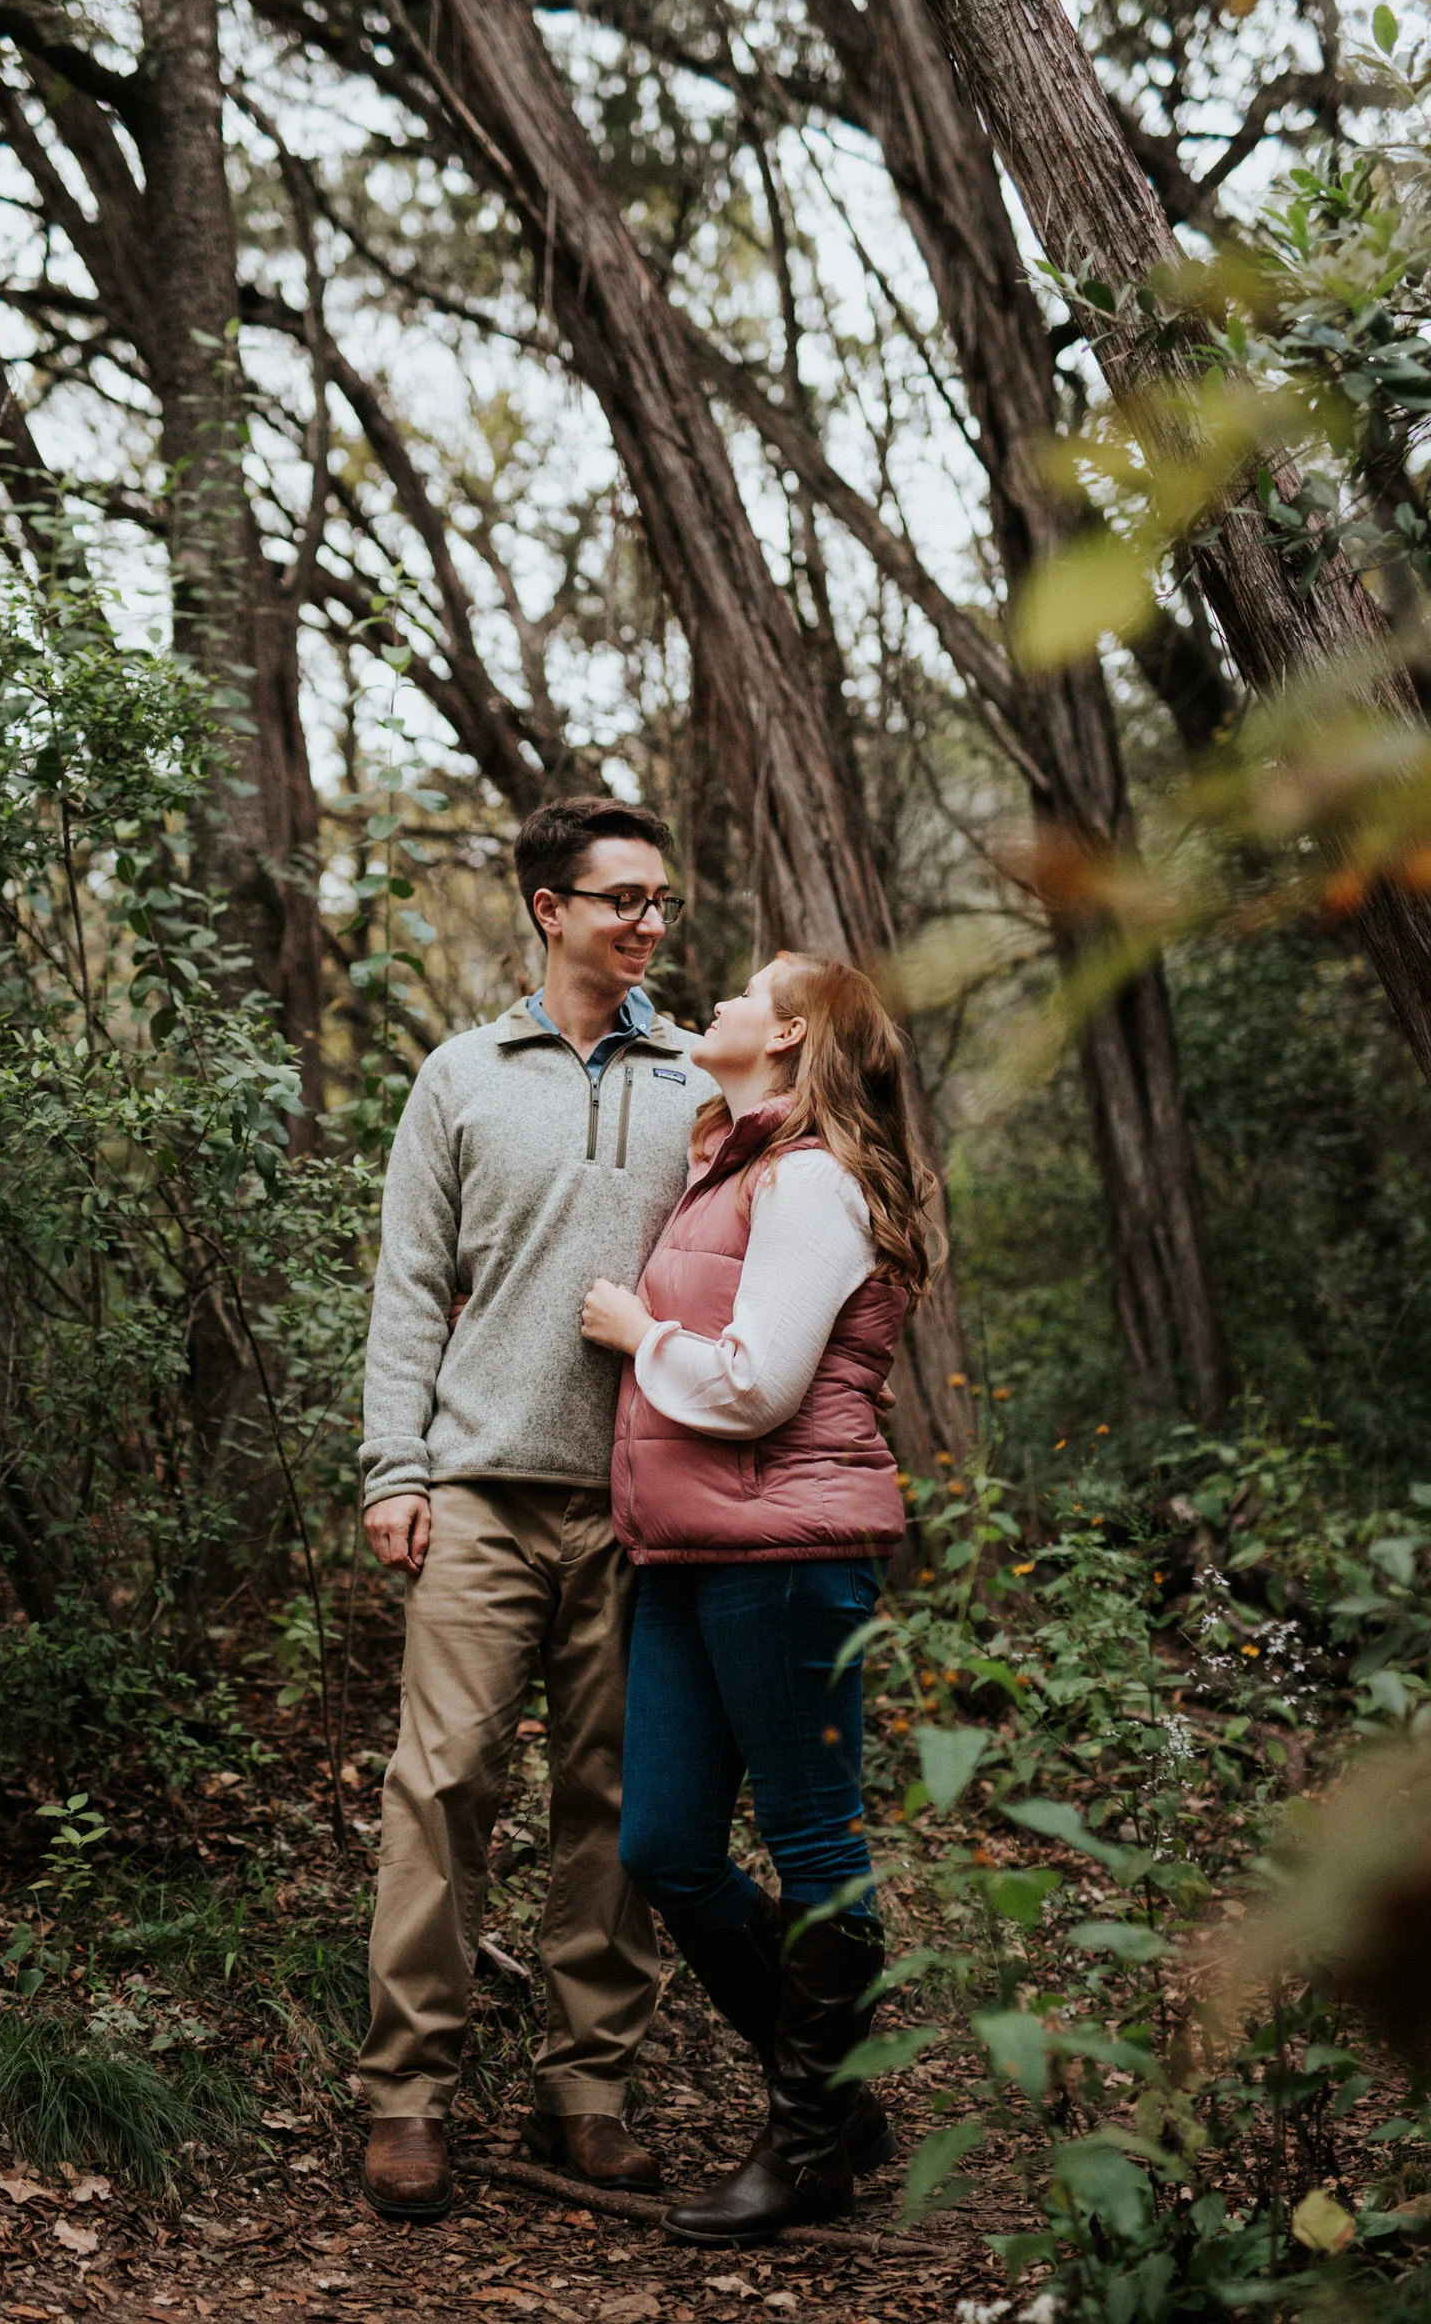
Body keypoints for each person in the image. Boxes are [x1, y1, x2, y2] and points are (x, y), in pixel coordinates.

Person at [356, 793, 709, 2222]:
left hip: (644, 1502)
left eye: (661, 901)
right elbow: (405, 1290)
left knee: (614, 1804)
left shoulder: (701, 1078)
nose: (649, 922)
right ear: (550, 908)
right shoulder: (459, 1075)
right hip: (481, 1491)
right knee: (439, 1788)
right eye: (622, 897)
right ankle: (407, 2096)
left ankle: (589, 2091)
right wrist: (396, 1469)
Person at [580, 952, 932, 2246]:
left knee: (814, 1840)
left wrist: (637, 1336)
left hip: (788, 1556)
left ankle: (804, 2151)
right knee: (664, 1843)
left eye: (742, 991)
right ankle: (837, 2097)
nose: (714, 1002)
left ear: (786, 1037)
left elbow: (759, 1385)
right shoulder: (733, 1167)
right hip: (692, 1553)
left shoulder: (811, 1182)